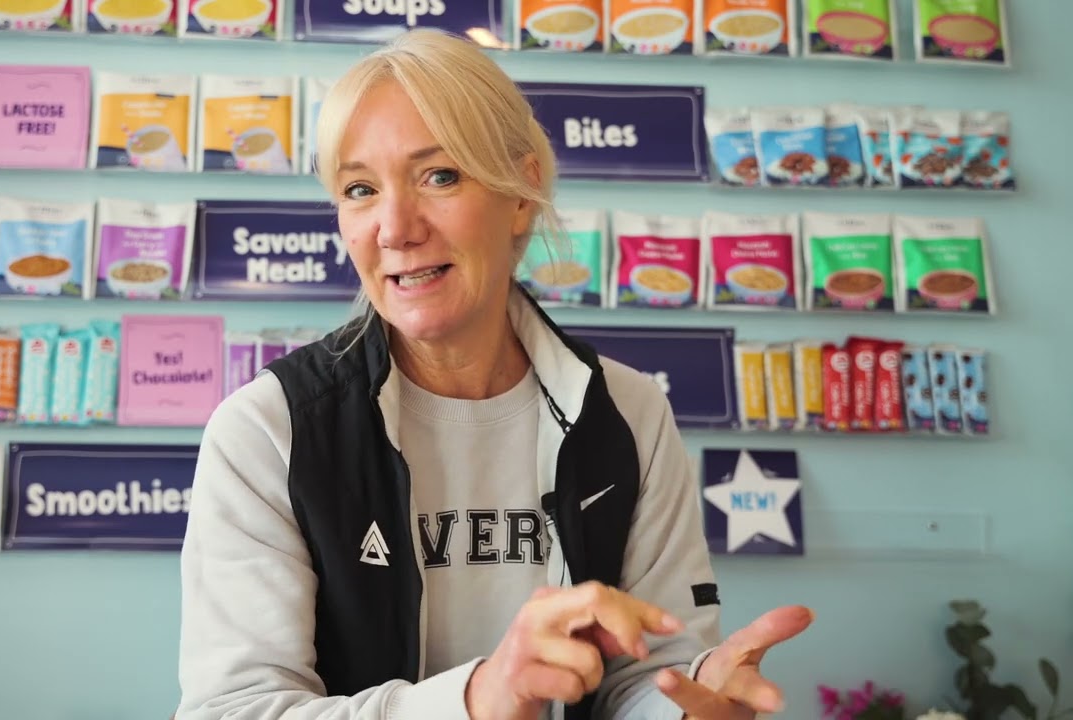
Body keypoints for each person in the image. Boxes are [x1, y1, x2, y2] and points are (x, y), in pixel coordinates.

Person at [176, 27, 813, 720]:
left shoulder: (630, 413)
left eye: (439, 176)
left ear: (522, 192)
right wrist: (478, 698)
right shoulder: (267, 431)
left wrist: (686, 704)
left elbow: (645, 675)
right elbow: (232, 711)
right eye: (360, 189)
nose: (395, 227)